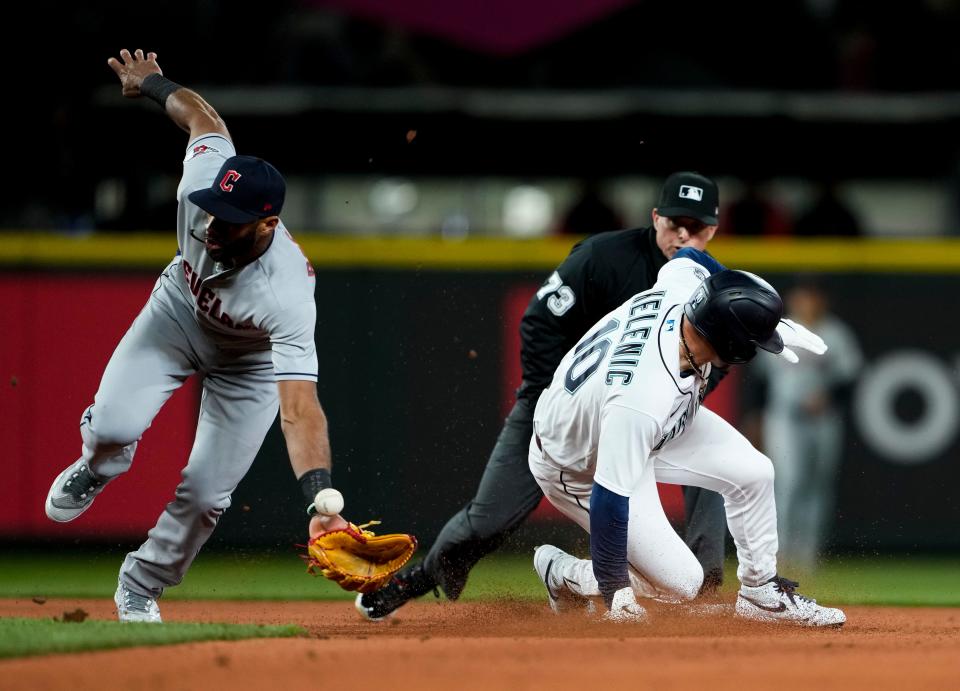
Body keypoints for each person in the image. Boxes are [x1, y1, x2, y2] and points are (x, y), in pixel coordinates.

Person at [44, 49, 348, 622]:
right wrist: (152, 82)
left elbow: (300, 410)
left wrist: (319, 495)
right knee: (111, 426)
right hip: (177, 314)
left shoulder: (285, 292)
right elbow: (204, 119)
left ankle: (141, 585)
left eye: (229, 217)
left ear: (267, 224)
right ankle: (100, 463)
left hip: (249, 364)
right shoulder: (202, 183)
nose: (211, 224)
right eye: (214, 208)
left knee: (207, 496)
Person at [357, 171, 730, 620]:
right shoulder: (603, 257)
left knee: (711, 469)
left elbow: (723, 356)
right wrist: (556, 396)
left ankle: (705, 594)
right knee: (488, 519)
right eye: (675, 223)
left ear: (713, 228)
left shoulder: (715, 287)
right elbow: (539, 323)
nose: (684, 234)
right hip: (559, 411)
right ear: (655, 218)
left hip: (640, 414)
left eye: (698, 226)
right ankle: (419, 578)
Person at [528, 251, 846, 626]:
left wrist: (758, 313)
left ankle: (761, 595)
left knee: (755, 472)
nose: (756, 350)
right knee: (682, 583)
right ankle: (563, 572)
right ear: (730, 343)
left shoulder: (685, 292)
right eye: (754, 342)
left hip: (635, 424)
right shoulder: (643, 397)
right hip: (579, 460)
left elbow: (690, 256)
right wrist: (616, 591)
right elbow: (609, 496)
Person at [751, 278, 863, 570]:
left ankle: (809, 555)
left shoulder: (837, 334)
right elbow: (760, 380)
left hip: (823, 420)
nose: (809, 302)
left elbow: (851, 377)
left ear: (823, 301)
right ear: (794, 299)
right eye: (804, 296)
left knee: (817, 486)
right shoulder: (778, 331)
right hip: (783, 418)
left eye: (814, 296)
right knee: (788, 484)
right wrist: (757, 417)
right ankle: (782, 553)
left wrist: (829, 396)